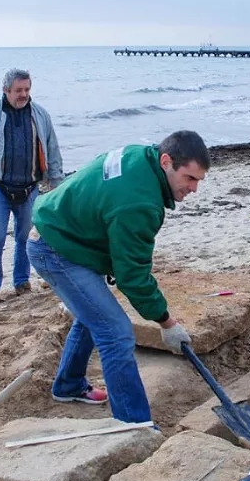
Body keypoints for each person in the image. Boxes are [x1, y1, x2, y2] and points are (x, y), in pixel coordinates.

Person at [27, 130, 209, 424]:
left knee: (94, 314)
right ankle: (134, 424)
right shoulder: (140, 203)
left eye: (199, 180)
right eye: (190, 178)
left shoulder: (142, 157)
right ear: (166, 161)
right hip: (58, 249)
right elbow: (132, 276)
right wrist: (166, 322)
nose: (194, 188)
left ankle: (69, 385)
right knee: (115, 332)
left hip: (71, 236)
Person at [0, 68, 64, 307]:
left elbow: (53, 149)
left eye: (27, 89)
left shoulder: (40, 114)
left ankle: (22, 283)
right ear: (5, 90)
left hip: (30, 186)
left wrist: (56, 182)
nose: (24, 94)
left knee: (25, 237)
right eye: (18, 90)